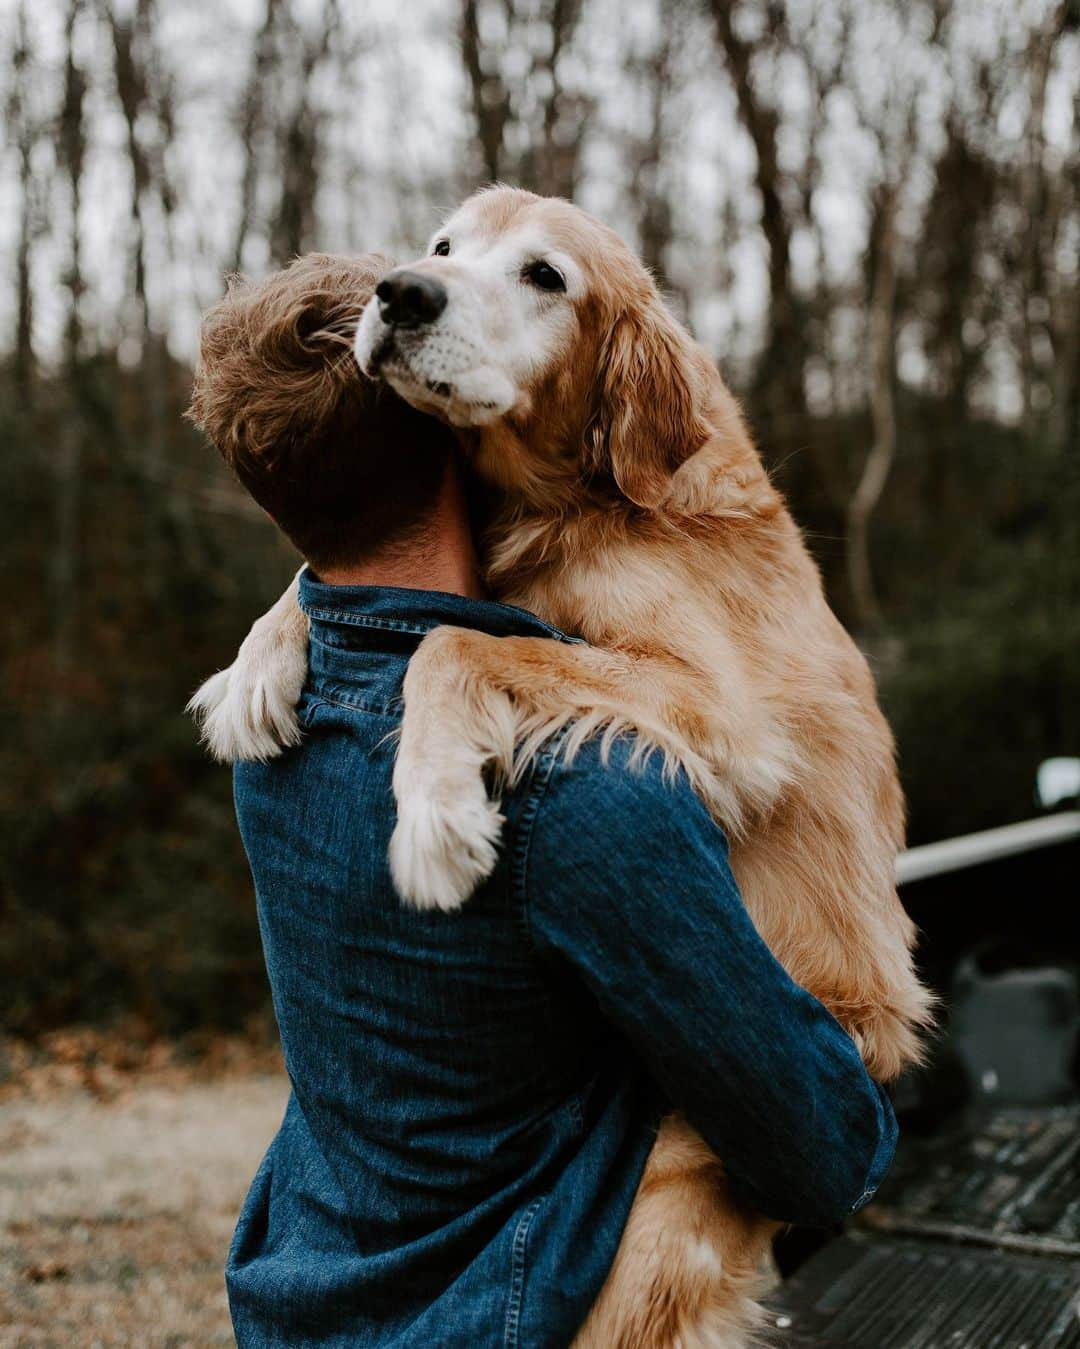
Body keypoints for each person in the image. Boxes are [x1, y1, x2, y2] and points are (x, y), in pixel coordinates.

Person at [188, 253, 897, 1348]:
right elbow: (821, 1149)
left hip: (303, 1301)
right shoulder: (589, 789)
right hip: (517, 1315)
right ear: (455, 438)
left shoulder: (265, 716)